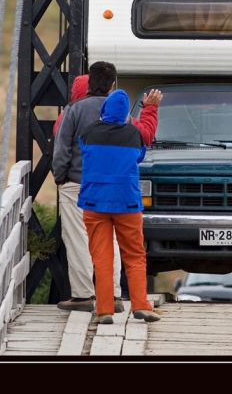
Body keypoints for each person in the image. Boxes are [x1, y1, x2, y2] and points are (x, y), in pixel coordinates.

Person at [52, 61, 161, 312]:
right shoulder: (121, 113)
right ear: (113, 85)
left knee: (79, 240)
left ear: (89, 82)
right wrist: (150, 110)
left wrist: (60, 177)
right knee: (111, 243)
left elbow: (62, 146)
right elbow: (142, 140)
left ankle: (83, 295)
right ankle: (112, 296)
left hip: (76, 185)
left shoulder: (74, 110)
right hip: (116, 191)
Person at [78, 89, 162, 324]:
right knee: (135, 255)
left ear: (105, 110)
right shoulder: (133, 134)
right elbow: (140, 154)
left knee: (102, 258)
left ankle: (104, 310)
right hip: (127, 203)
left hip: (95, 203)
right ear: (126, 113)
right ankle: (140, 305)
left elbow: (83, 148)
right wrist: (148, 110)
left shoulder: (89, 132)